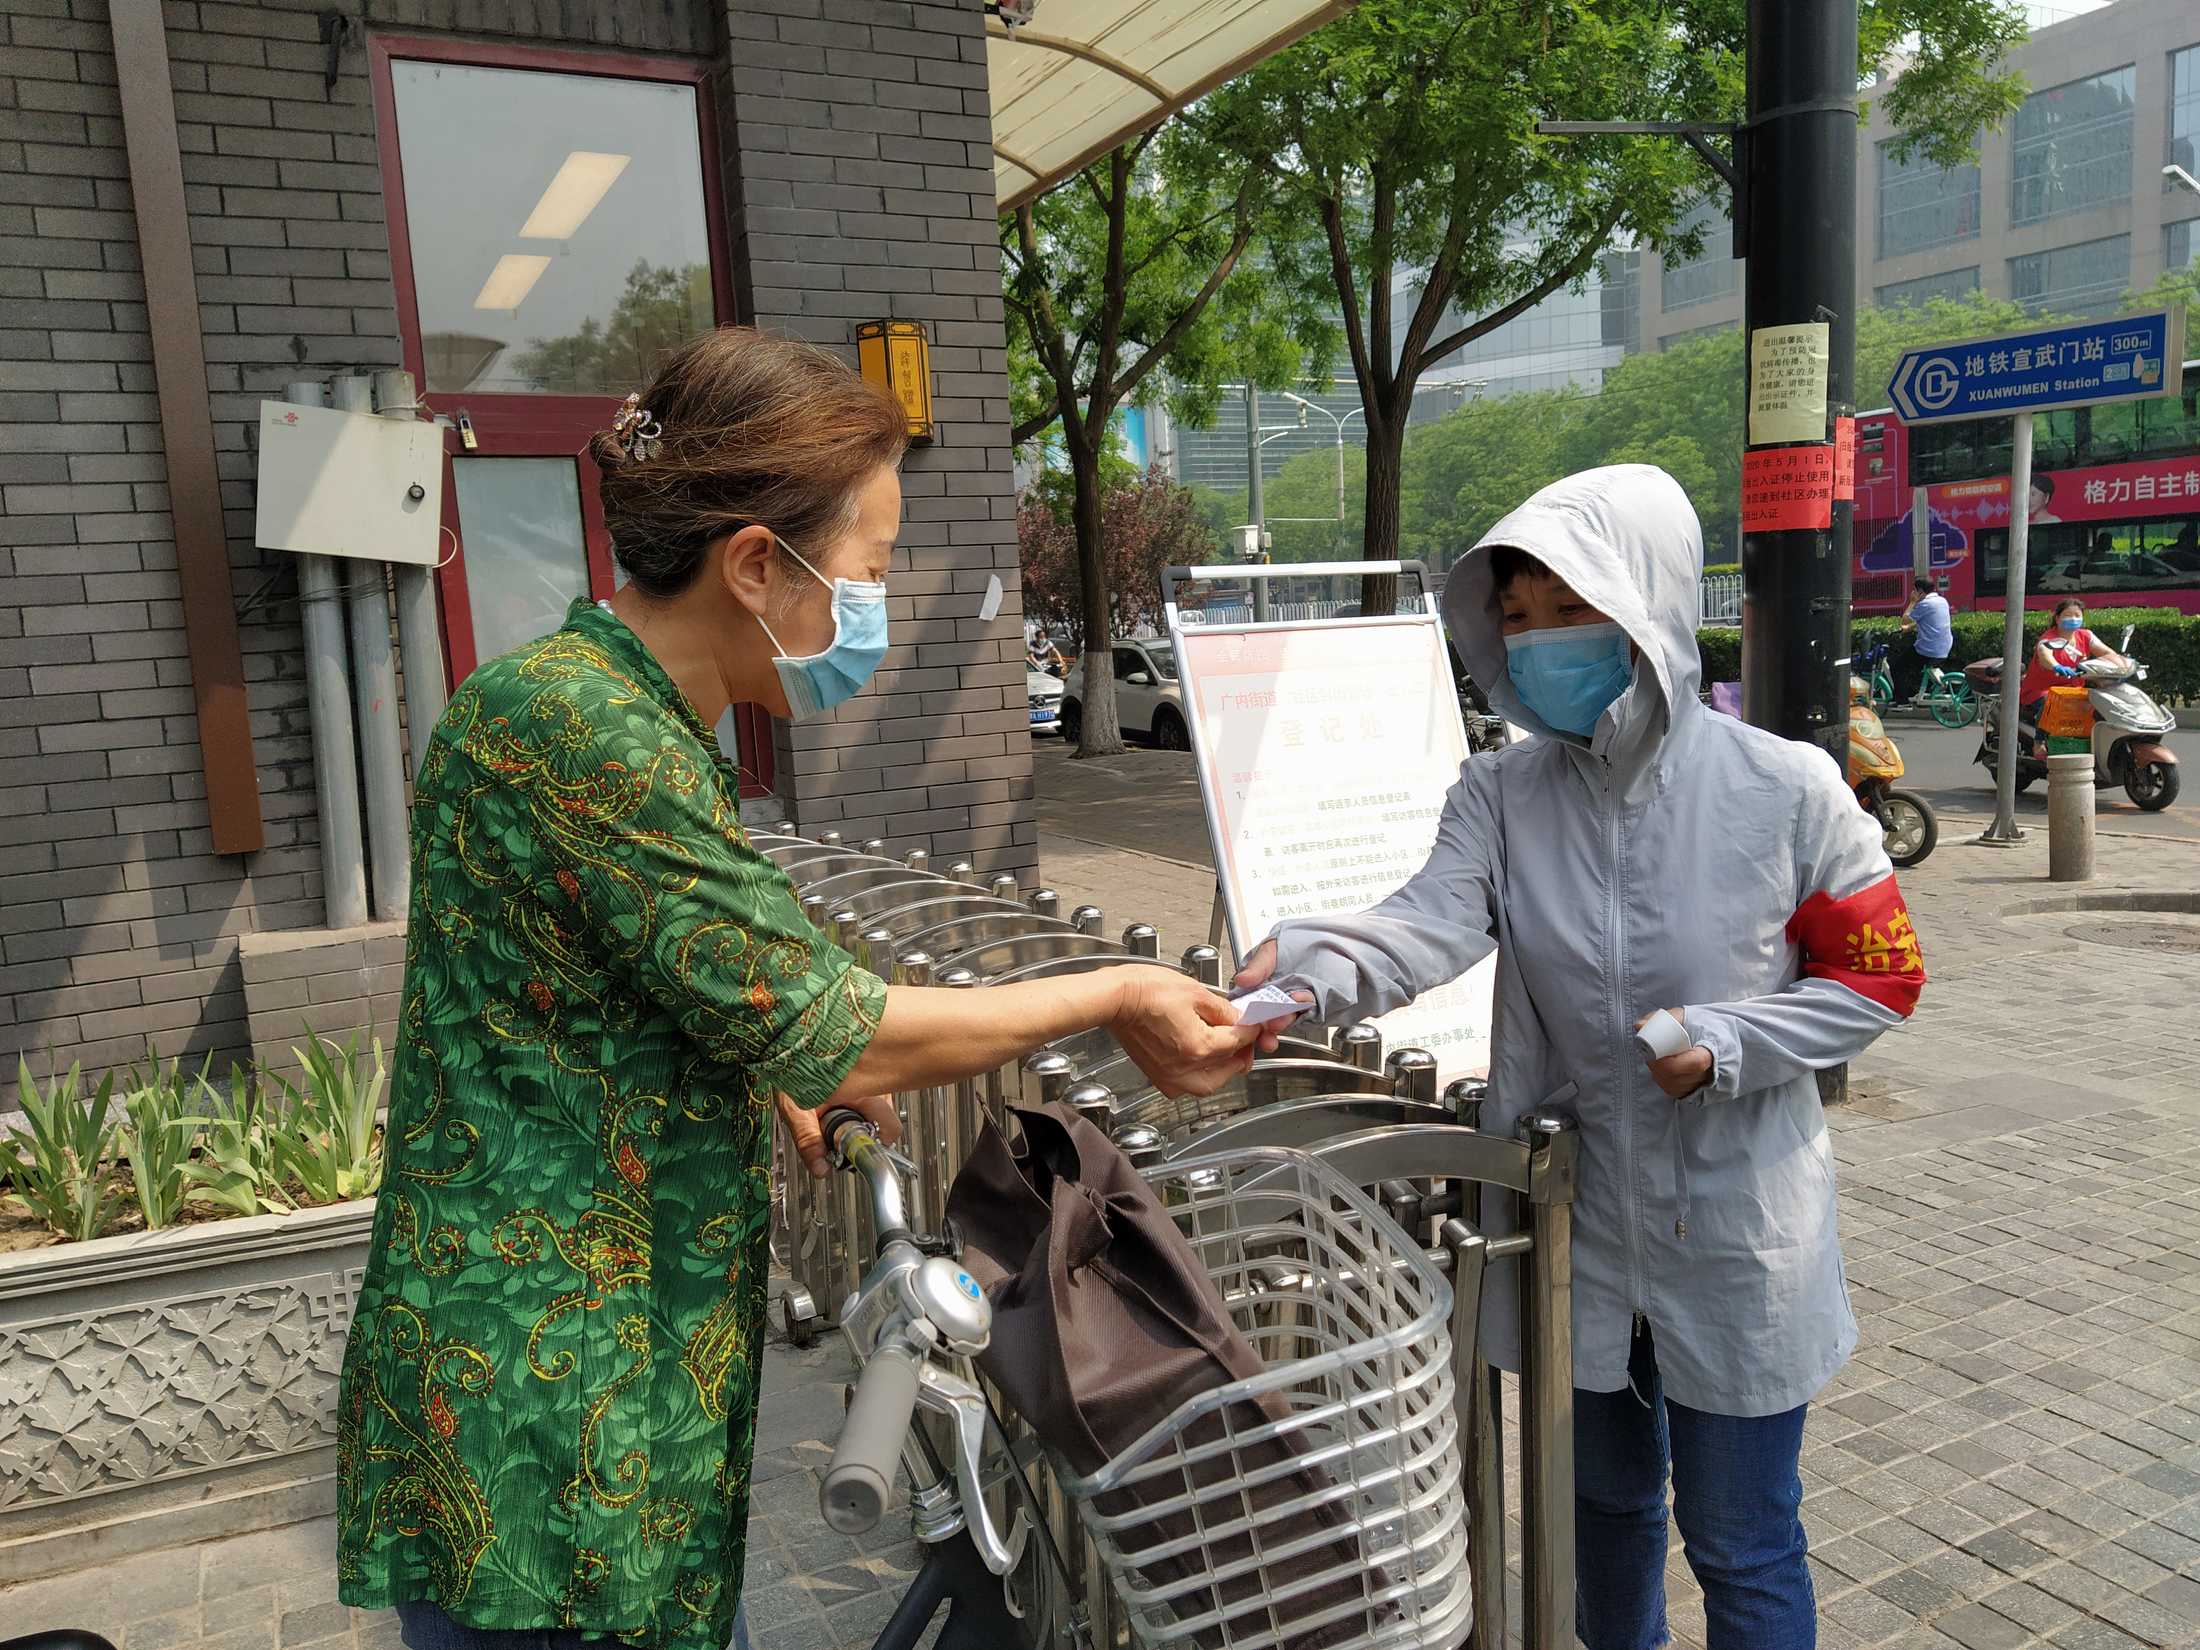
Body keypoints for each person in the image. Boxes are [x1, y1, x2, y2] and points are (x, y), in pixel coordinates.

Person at [335, 327, 1261, 1650]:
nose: (872, 605)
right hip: (548, 1406)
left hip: (590, 1369)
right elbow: (847, 1033)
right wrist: (1112, 990)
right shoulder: (587, 731)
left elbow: (632, 979)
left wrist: (763, 1065)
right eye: (868, 569)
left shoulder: (612, 711)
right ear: (757, 564)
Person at [1235, 465, 1925, 1650]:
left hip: (1734, 1224)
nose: (1539, 640)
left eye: (1571, 609)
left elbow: (1877, 977)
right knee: (1599, 1509)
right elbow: (1427, 923)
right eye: (1516, 616)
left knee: (1742, 1538)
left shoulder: (1785, 790)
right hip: (1574, 1223)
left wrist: (1729, 1040)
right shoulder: (1500, 793)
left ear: (1648, 605)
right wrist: (1296, 974)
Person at [2017, 596, 2125, 725]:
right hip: (2043, 691)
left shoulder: (2086, 636)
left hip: (2074, 691)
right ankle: (2040, 737)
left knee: (2101, 706)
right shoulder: (2049, 637)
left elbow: (2108, 653)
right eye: (2068, 615)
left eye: (2077, 615)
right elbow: (2045, 654)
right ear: (2057, 618)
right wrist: (2056, 666)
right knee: (2053, 706)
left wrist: (2121, 663)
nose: (2073, 619)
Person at [1895, 575, 1953, 703]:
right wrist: (1909, 628)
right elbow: (1928, 621)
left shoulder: (1925, 604)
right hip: (1944, 648)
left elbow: (1905, 619)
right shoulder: (1942, 601)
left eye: (1914, 590)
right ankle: (1923, 691)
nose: (1913, 593)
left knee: (1898, 667)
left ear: (1920, 591)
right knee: (1913, 665)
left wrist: (1912, 602)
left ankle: (1902, 703)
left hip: (1929, 649)